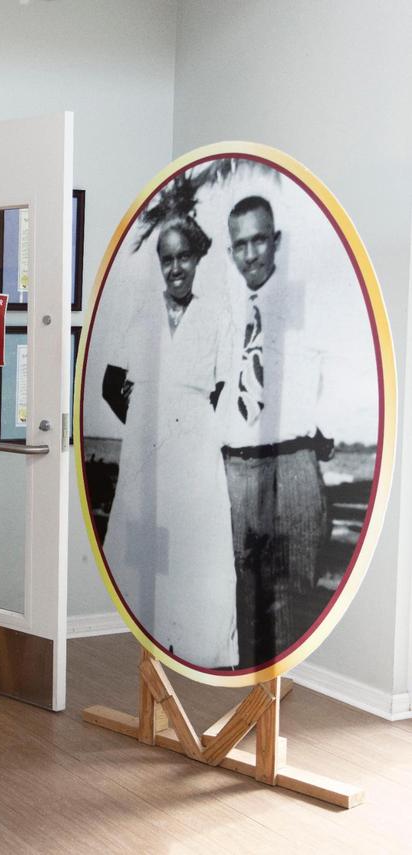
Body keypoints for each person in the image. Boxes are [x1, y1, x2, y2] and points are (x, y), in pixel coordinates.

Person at [101, 216, 238, 668]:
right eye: (167, 259)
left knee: (195, 540)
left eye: (183, 256)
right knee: (142, 532)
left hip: (195, 445)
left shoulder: (217, 316)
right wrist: (145, 424)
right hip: (147, 444)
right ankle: (142, 634)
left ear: (197, 257)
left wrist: (190, 429)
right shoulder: (144, 315)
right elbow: (109, 384)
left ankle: (199, 646)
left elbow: (223, 390)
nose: (175, 267)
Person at [221, 196, 331, 669]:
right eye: (240, 244)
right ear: (231, 251)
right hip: (238, 470)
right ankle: (246, 709)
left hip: (292, 467)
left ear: (276, 241)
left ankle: (280, 711)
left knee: (289, 599)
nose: (251, 254)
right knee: (242, 599)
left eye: (259, 240)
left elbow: (323, 389)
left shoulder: (305, 307)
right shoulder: (224, 317)